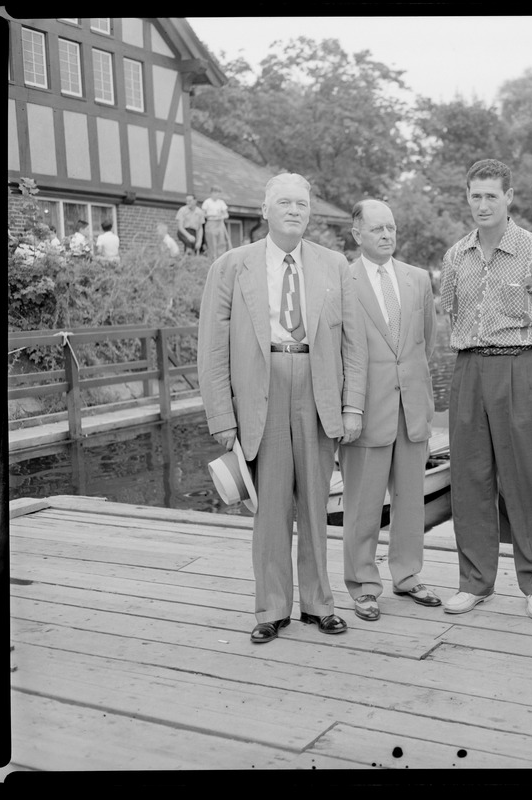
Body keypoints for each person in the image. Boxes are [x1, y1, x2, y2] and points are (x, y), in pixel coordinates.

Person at [198, 172, 368, 645]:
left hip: (318, 388)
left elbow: (353, 345)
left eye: (302, 204)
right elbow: (211, 348)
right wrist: (221, 416)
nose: (295, 211)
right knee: (270, 507)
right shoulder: (233, 267)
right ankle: (272, 608)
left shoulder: (335, 266)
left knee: (316, 504)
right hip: (261, 387)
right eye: (285, 203)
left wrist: (352, 406)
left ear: (310, 212)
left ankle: (319, 605)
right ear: (266, 211)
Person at [438, 158, 532, 619]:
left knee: (525, 479)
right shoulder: (456, 256)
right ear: (467, 196)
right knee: (470, 480)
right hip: (470, 370)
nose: (482, 204)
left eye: (491, 196)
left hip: (522, 367)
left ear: (509, 197)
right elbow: (452, 318)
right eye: (475, 195)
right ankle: (475, 581)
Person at [338, 199, 440, 622]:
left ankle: (408, 575)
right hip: (364, 409)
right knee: (362, 504)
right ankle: (363, 585)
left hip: (411, 405)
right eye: (377, 229)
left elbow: (425, 344)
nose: (387, 235)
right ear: (357, 234)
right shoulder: (342, 279)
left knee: (411, 499)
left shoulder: (418, 280)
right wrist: (347, 407)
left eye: (391, 228)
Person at [202, 185, 230, 259]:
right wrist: (213, 215)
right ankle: (212, 258)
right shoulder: (207, 202)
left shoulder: (221, 202)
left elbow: (226, 214)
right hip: (211, 223)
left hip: (220, 223)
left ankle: (221, 259)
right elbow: (203, 214)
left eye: (219, 193)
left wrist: (221, 216)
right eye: (216, 193)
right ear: (212, 193)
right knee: (212, 243)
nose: (217, 195)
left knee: (221, 242)